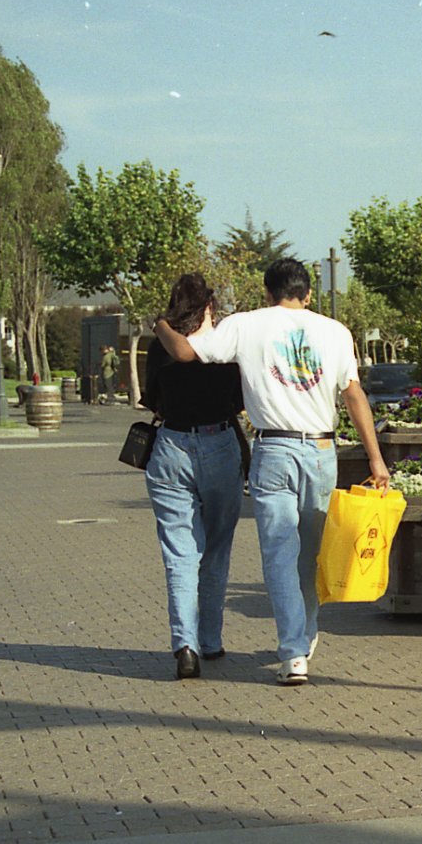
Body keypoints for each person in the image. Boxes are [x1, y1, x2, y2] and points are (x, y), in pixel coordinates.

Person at [155, 258, 389, 686]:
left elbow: (186, 351)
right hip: (321, 450)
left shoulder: (247, 325)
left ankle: (293, 652)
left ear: (267, 292)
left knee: (279, 554)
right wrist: (375, 459)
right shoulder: (336, 332)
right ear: (309, 293)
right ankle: (302, 638)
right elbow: (354, 395)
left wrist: (162, 325)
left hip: (273, 450)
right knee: (310, 554)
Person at [142, 274, 245, 680]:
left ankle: (185, 644)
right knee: (217, 547)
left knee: (179, 552)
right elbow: (239, 400)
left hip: (171, 446)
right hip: (219, 442)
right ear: (208, 307)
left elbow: (153, 399)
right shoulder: (225, 349)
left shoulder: (160, 347)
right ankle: (212, 638)